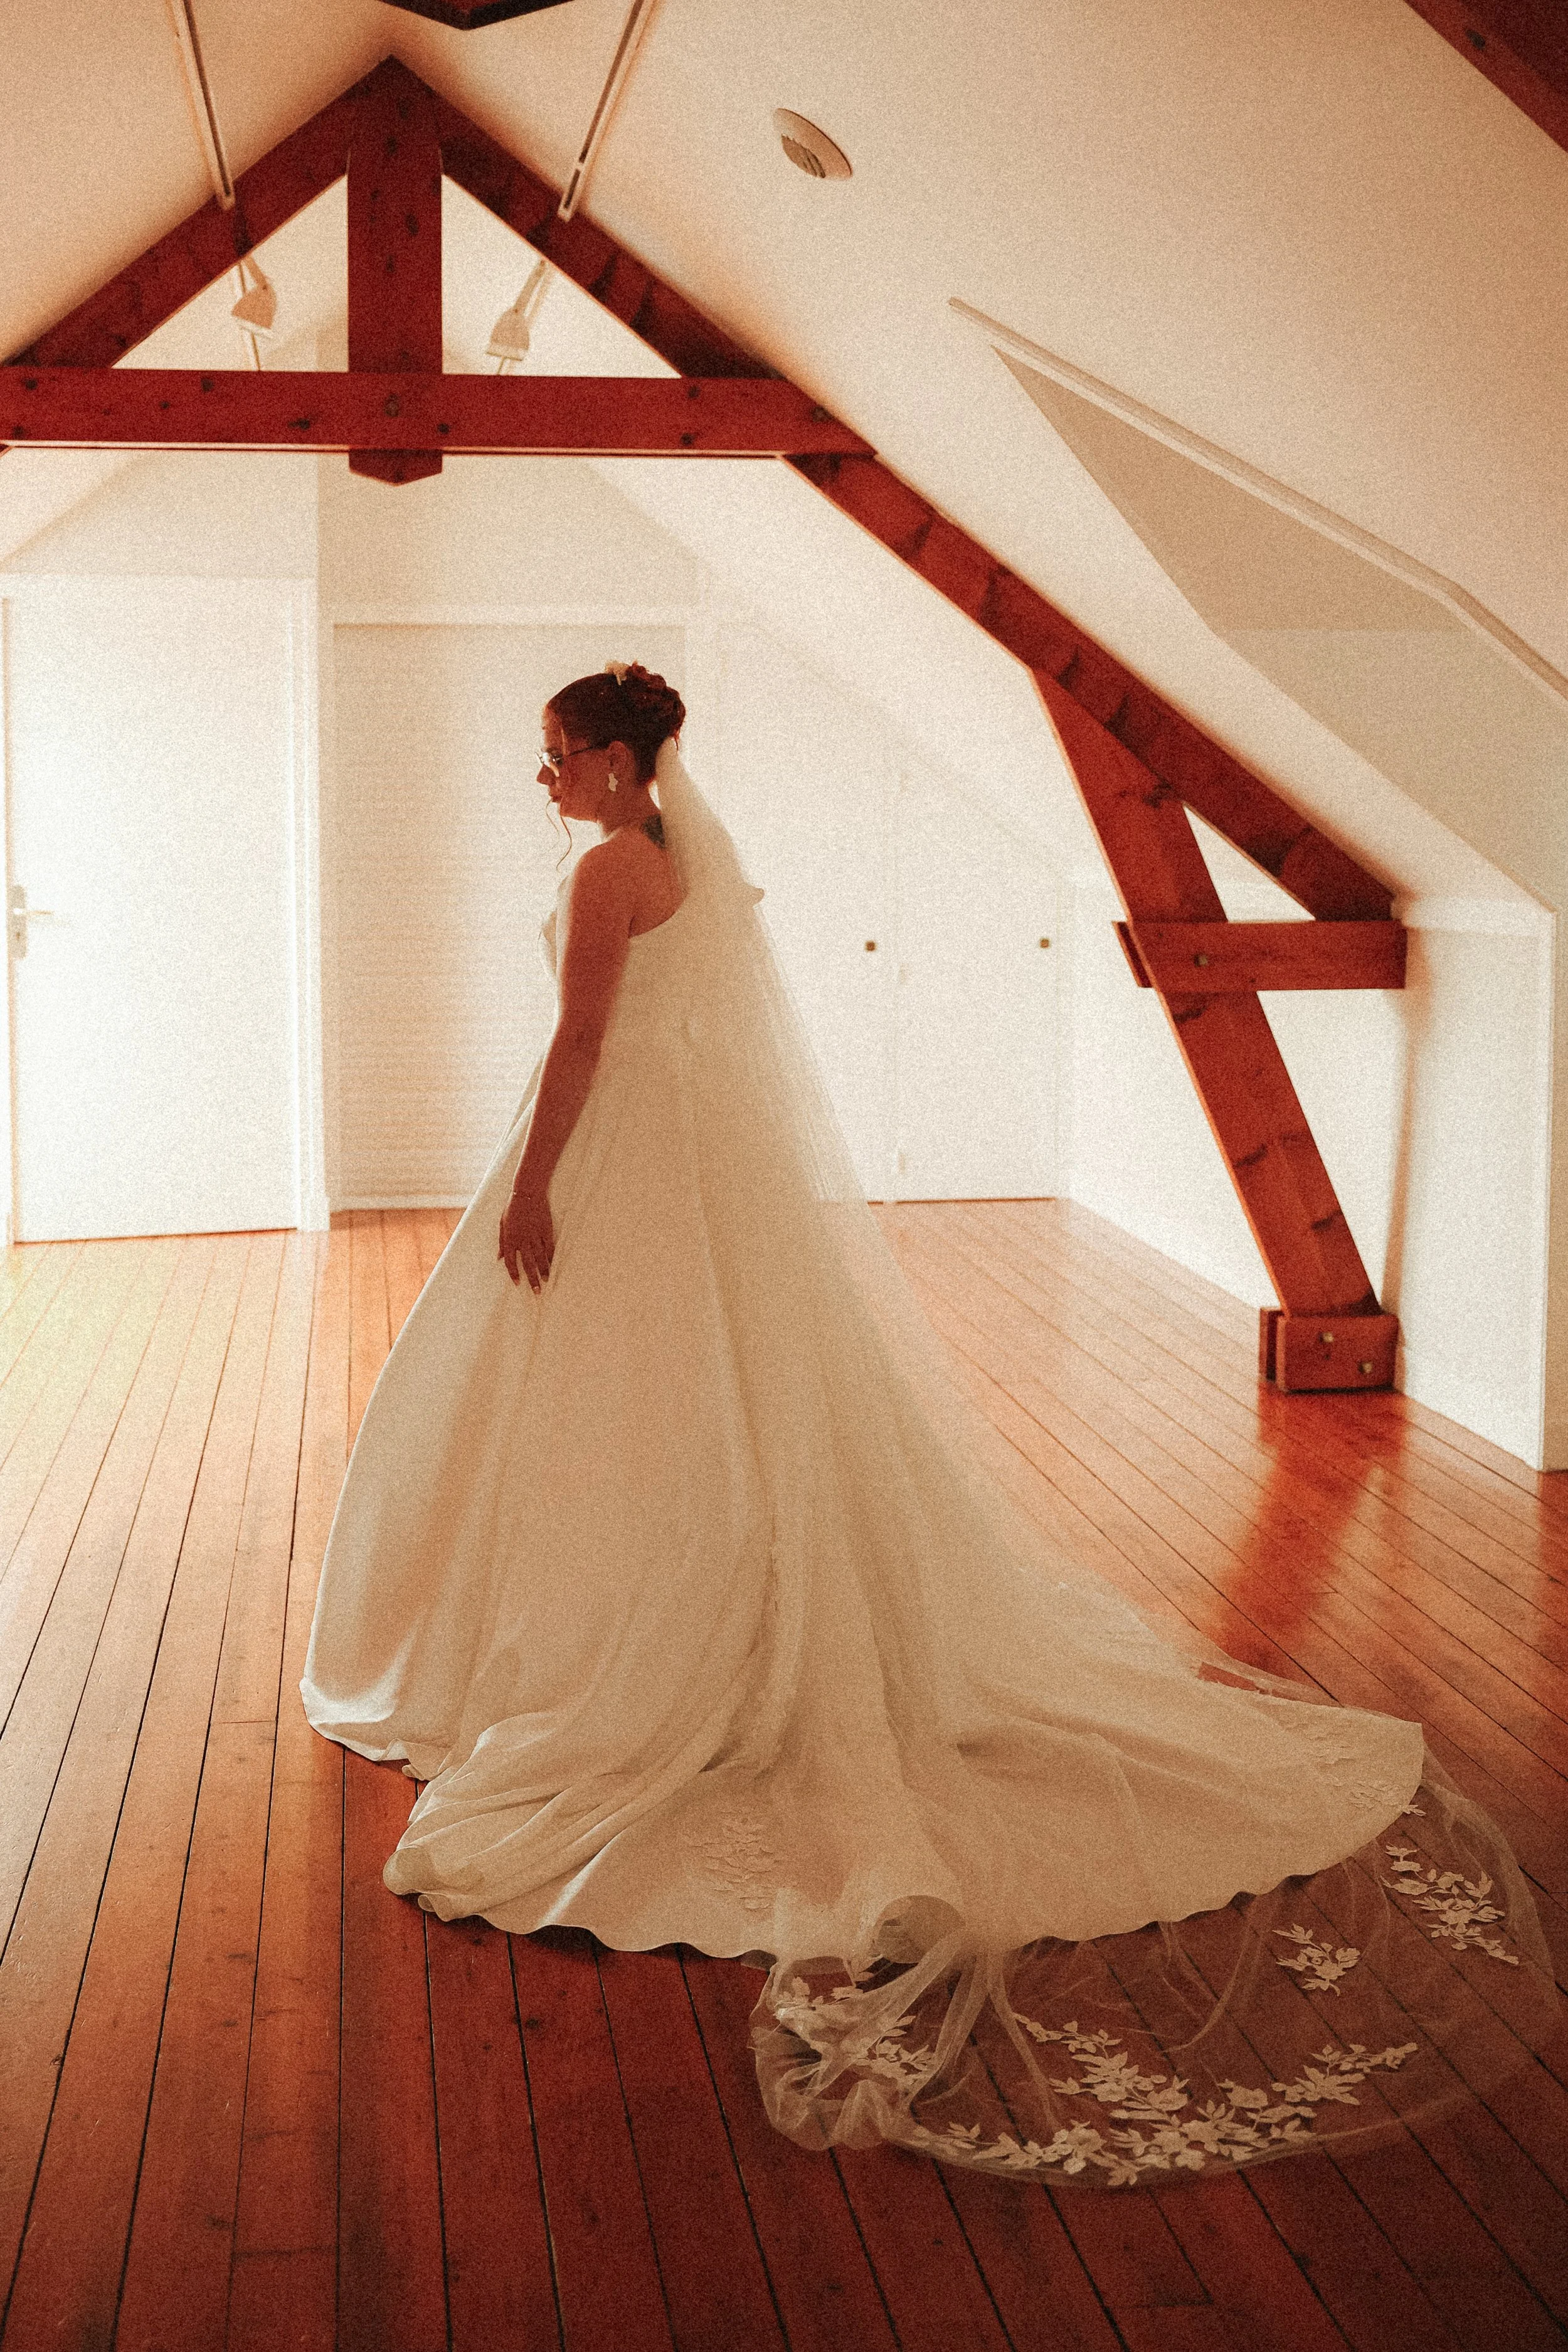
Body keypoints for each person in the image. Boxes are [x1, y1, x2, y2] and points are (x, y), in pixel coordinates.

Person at [304, 662, 1556, 2186]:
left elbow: (579, 1045)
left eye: (558, 754)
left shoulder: (605, 872)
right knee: (724, 1406)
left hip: (618, 1152)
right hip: (695, 1159)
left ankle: (608, 1643)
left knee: (606, 1409)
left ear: (624, 763)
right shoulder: (688, 855)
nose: (545, 777)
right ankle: (716, 1617)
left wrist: (533, 1190)